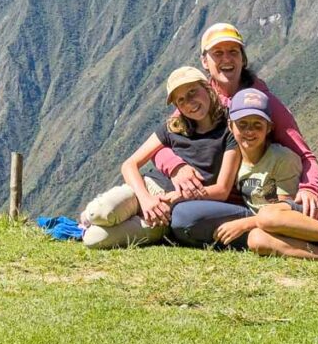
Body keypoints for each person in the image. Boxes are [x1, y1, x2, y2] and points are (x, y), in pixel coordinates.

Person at [162, 23, 318, 246]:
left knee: (185, 219)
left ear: (243, 58)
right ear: (204, 62)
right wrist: (176, 166)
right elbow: (164, 139)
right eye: (217, 53)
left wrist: (309, 188)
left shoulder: (264, 103)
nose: (226, 59)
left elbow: (304, 155)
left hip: (260, 201)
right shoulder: (198, 98)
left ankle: (276, 231)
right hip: (218, 198)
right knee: (179, 214)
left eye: (233, 52)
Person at [191, 88, 318, 267]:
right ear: (230, 125)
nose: (249, 131)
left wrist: (243, 223)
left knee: (268, 216)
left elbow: (283, 212)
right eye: (242, 124)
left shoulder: (282, 158)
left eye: (257, 125)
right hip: (285, 229)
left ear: (269, 127)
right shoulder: (234, 160)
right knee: (256, 240)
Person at [80, 66, 240, 249]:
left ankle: (97, 222)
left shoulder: (229, 130)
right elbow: (130, 164)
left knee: (94, 239)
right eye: (181, 100)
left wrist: (175, 198)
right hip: (147, 188)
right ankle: (95, 216)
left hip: (170, 209)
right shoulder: (173, 127)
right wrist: (146, 200)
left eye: (192, 92)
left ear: (207, 88)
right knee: (98, 212)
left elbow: (222, 190)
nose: (189, 102)